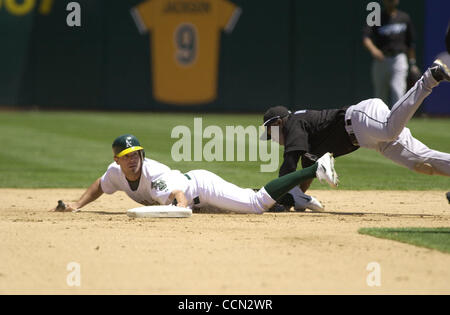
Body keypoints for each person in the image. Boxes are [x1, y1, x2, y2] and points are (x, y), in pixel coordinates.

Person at [260, 59, 450, 196]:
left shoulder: (293, 122)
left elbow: (289, 164)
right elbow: (304, 175)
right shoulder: (306, 140)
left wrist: (274, 197)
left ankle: (430, 77)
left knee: (389, 129)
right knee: (421, 163)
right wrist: (297, 199)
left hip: (360, 119)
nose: (274, 139)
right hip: (370, 138)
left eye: (271, 134)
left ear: (278, 123)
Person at [52, 134, 338, 214]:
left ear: (142, 154)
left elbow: (179, 199)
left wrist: (177, 207)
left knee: (256, 205)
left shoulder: (155, 174)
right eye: (126, 157)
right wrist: (78, 204)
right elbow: (100, 185)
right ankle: (297, 199)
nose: (132, 161)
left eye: (136, 154)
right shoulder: (116, 172)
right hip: (199, 198)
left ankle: (316, 168)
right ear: (118, 160)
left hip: (203, 187)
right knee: (253, 202)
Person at [363, 0, 420, 106]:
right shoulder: (375, 17)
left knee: (398, 92)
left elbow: (410, 43)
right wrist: (373, 50)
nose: (390, 2)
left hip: (398, 59)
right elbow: (366, 37)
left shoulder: (404, 17)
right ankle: (379, 121)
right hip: (381, 60)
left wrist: (412, 64)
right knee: (379, 97)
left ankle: (398, 122)